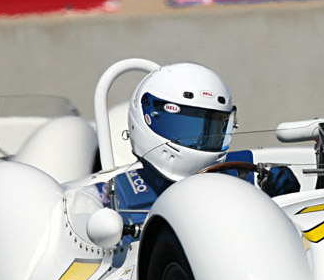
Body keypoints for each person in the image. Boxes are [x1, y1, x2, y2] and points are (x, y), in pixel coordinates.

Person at [114, 61, 298, 204]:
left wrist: (279, 195)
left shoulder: (244, 176)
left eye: (211, 128)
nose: (198, 141)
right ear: (147, 115)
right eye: (184, 127)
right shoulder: (111, 193)